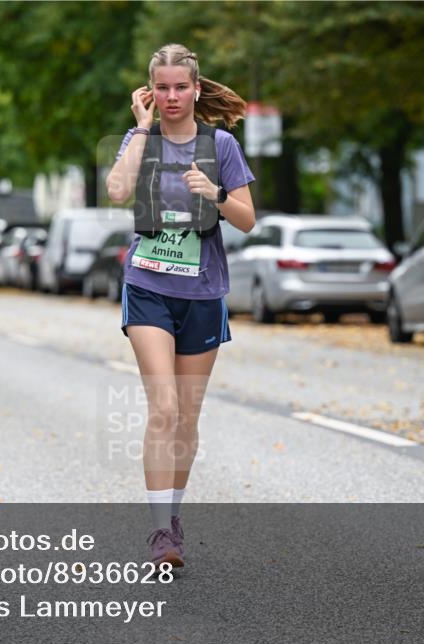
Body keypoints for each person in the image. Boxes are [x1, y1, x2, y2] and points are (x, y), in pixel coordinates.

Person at [105, 44, 256, 567]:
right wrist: (142, 128)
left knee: (187, 418)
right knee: (164, 408)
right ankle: (157, 532)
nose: (171, 97)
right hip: (148, 285)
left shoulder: (222, 145)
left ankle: (172, 518)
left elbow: (246, 220)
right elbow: (118, 189)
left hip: (204, 292)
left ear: (195, 88)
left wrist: (214, 192)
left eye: (179, 87)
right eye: (161, 88)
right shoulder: (140, 138)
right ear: (150, 91)